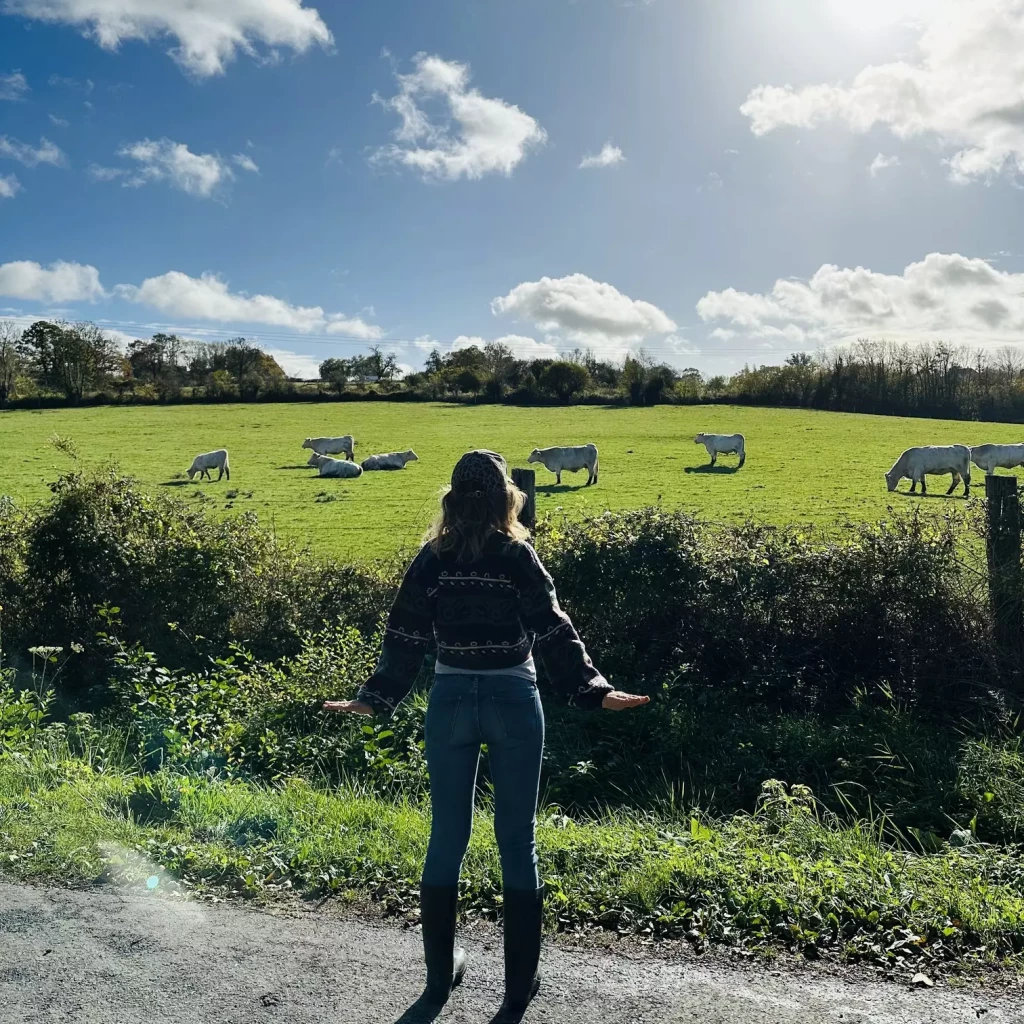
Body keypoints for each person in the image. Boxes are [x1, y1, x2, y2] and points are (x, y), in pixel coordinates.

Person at [324, 450, 648, 1019]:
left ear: (451, 498)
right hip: (513, 700)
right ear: (507, 498)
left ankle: (438, 978)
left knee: (445, 840)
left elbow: (403, 634)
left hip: (449, 700)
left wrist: (374, 698)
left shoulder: (431, 557)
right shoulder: (517, 554)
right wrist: (595, 690)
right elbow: (554, 628)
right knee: (516, 843)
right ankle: (518, 988)